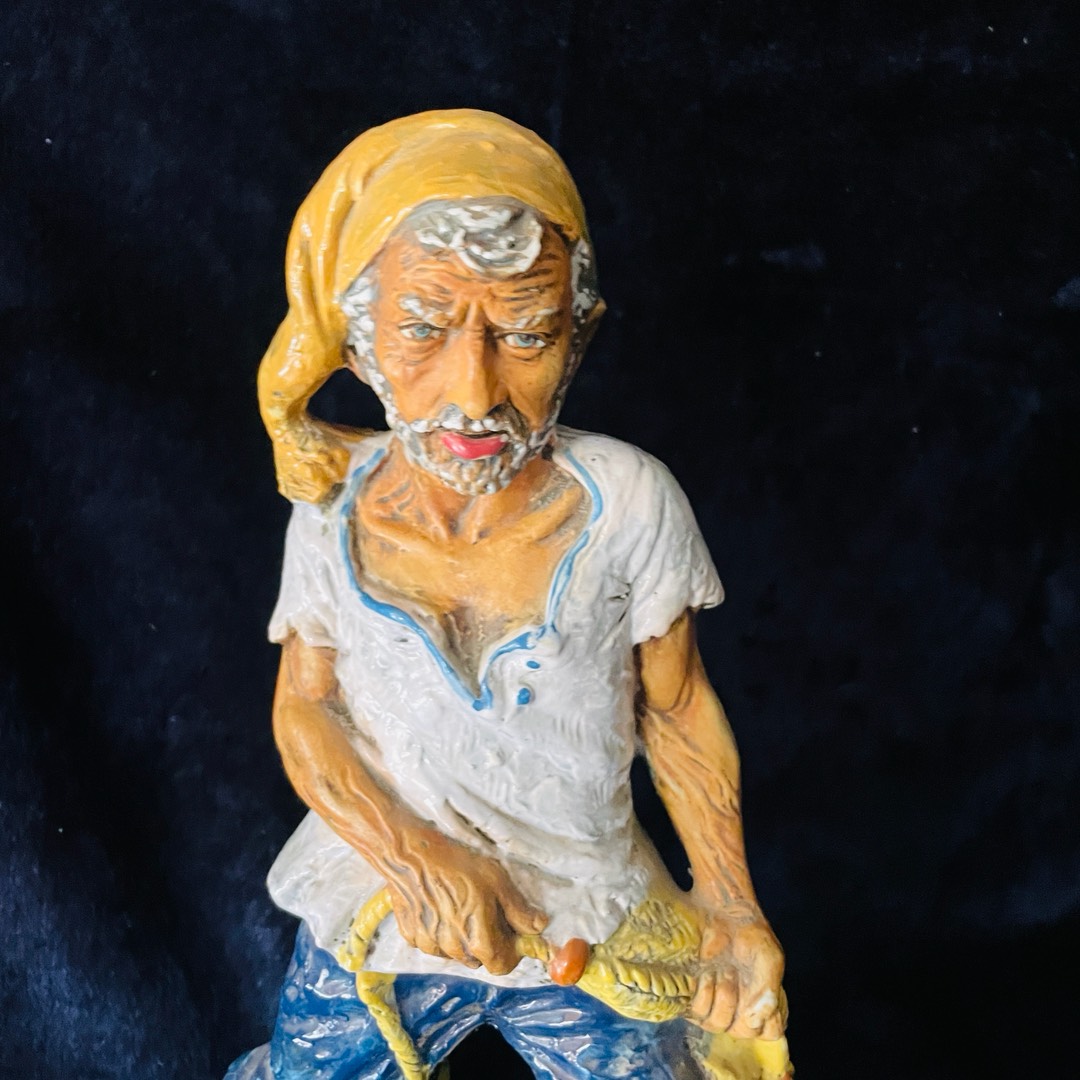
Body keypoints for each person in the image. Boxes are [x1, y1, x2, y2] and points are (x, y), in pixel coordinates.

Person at [227, 110, 790, 1080]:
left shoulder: (630, 502)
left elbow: (676, 709)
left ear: (579, 335)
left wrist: (733, 905)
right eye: (422, 330)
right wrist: (413, 857)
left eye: (526, 334)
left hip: (590, 921)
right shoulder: (330, 510)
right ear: (357, 347)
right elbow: (307, 709)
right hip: (384, 910)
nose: (476, 392)